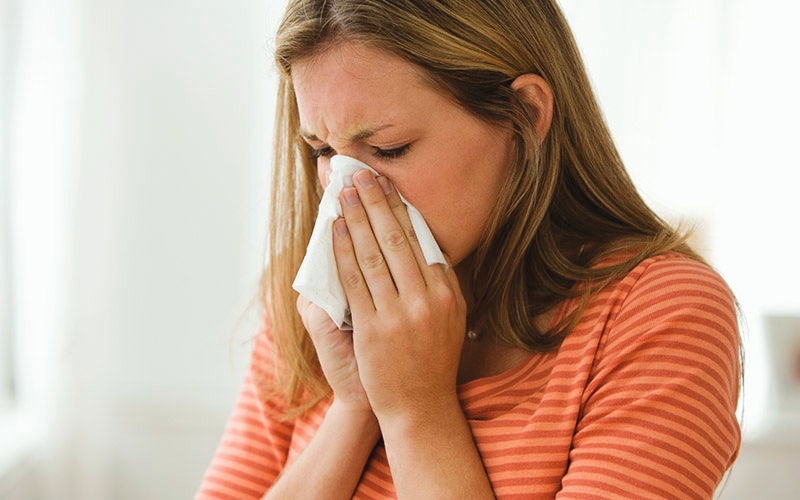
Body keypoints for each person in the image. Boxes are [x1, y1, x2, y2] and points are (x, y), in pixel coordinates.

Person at [197, 0, 741, 498]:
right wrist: (356, 405)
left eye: (390, 148)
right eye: (321, 150)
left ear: (524, 117)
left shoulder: (660, 314)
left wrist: (417, 409)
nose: (346, 193)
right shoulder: (310, 303)